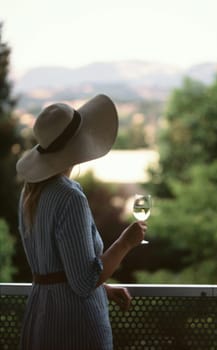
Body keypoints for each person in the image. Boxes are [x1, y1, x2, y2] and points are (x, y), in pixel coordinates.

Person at [16, 94, 147, 350]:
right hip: (75, 326)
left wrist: (104, 289)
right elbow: (84, 280)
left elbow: (58, 272)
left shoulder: (30, 192)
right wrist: (125, 243)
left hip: (41, 317)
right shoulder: (70, 197)